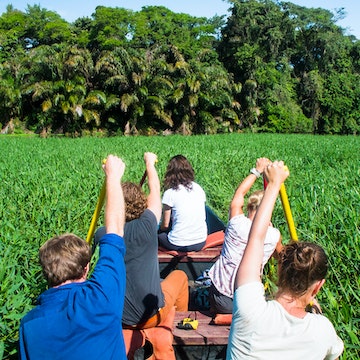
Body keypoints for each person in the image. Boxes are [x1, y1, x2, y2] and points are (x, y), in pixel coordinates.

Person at [227, 161, 344, 360]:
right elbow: (334, 352)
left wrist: (274, 185)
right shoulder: (323, 331)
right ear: (318, 286)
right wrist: (316, 312)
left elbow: (256, 238)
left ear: (281, 271)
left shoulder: (249, 309)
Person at [19, 155, 127, 359]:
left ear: (46, 272)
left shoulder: (28, 324)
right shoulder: (100, 299)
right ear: (86, 268)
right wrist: (113, 177)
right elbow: (114, 231)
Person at [95, 152, 188, 330]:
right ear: (141, 202)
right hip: (151, 317)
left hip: (118, 317)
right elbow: (154, 188)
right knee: (181, 276)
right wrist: (150, 163)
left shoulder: (103, 234)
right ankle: (176, 326)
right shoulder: (148, 223)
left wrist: (111, 180)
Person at [208, 157, 282, 314]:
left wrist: (257, 171)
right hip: (248, 302)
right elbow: (281, 257)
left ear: (249, 206)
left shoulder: (236, 222)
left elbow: (239, 194)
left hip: (222, 299)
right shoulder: (274, 235)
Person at [158, 154, 207, 252]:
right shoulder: (198, 188)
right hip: (200, 241)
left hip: (177, 243)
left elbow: (165, 225)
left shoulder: (170, 193)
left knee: (159, 235)